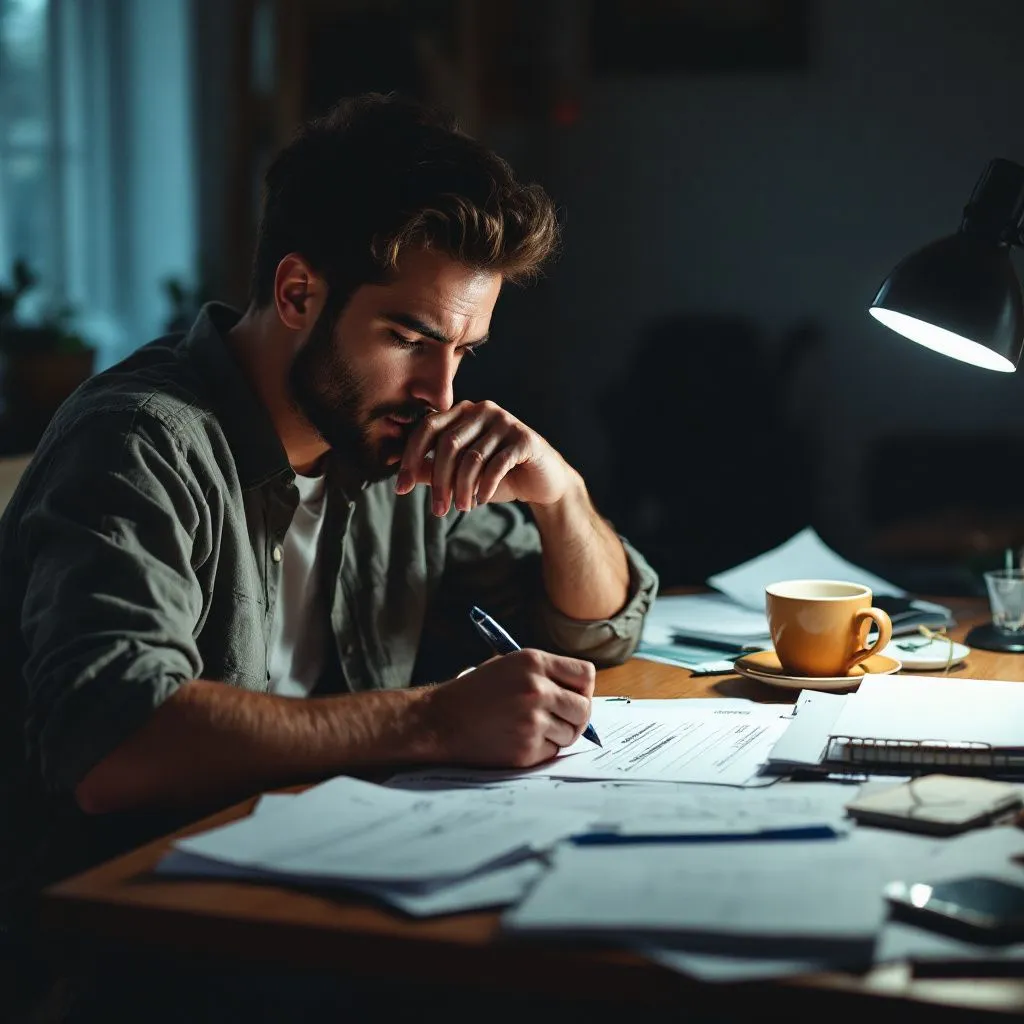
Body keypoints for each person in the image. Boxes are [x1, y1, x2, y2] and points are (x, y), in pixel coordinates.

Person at [0, 93, 657, 951]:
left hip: (319, 898)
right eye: (410, 339)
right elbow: (113, 743)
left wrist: (560, 495)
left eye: (463, 352)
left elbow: (598, 626)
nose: (441, 394)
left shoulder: (387, 446)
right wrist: (432, 720)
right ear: (298, 292)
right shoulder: (140, 442)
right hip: (129, 938)